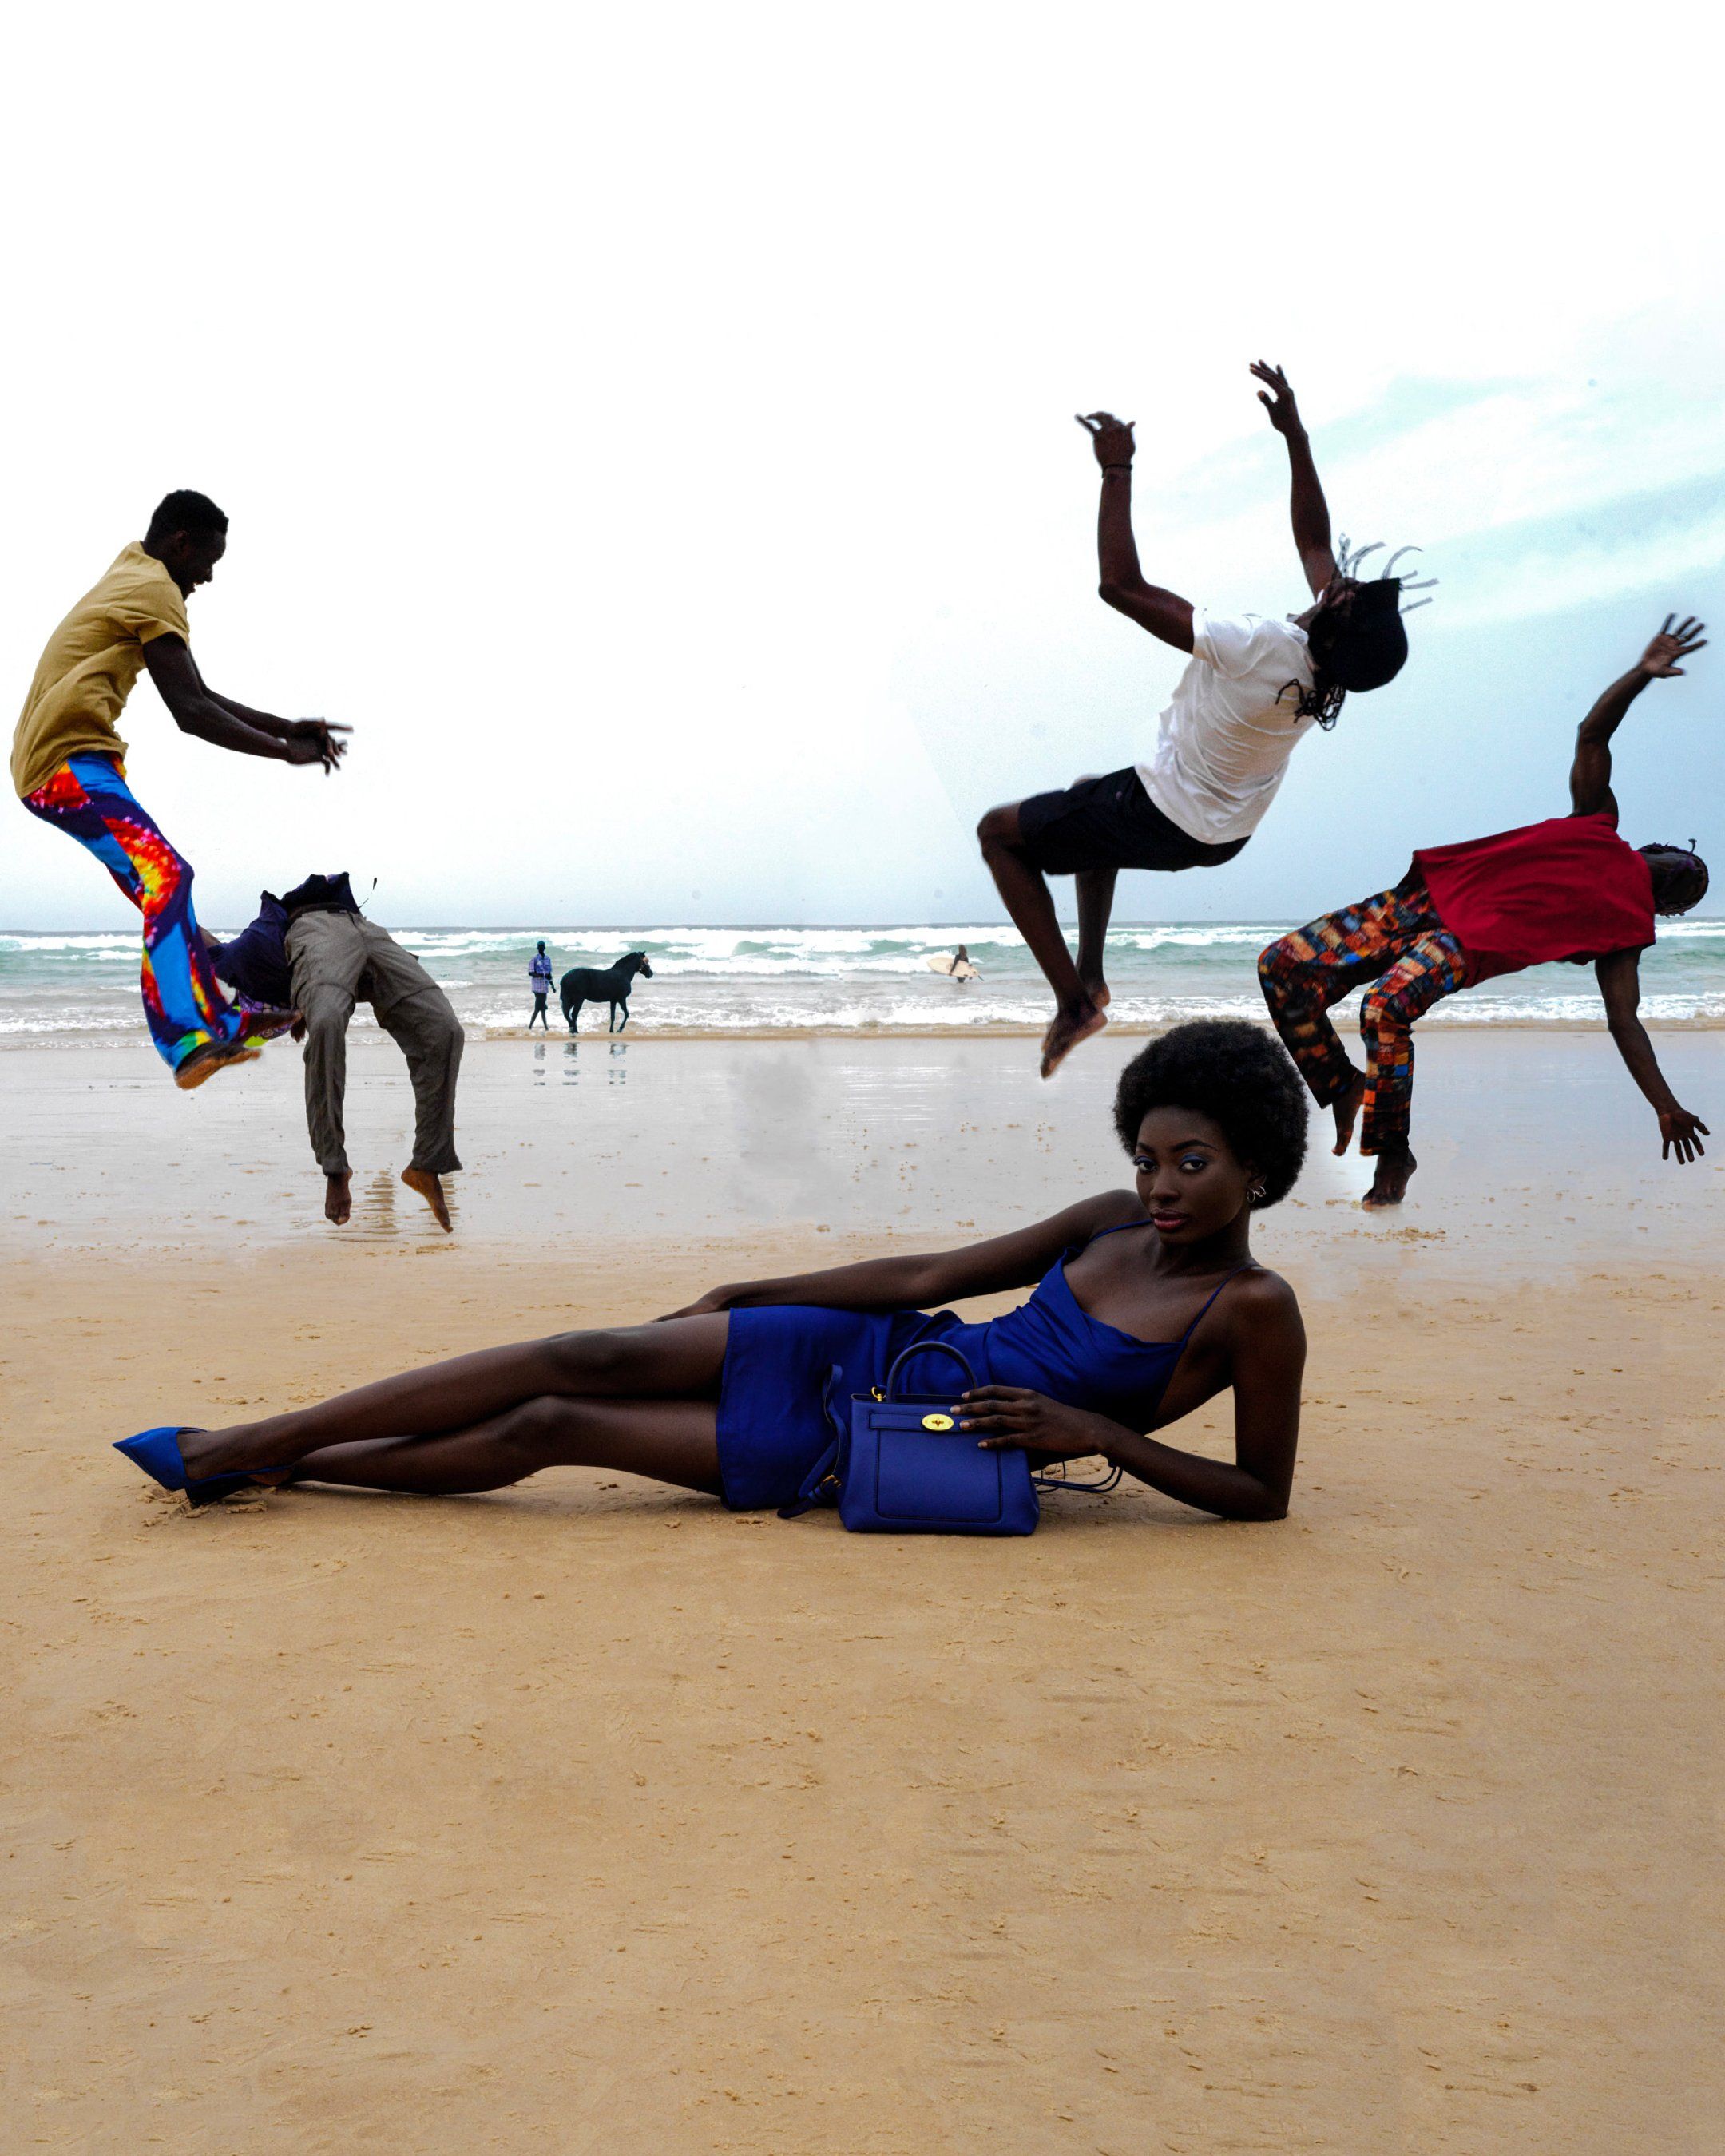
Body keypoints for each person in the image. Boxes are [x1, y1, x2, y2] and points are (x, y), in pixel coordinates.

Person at [113, 1019, 1310, 1525]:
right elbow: (934, 1270)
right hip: (882, 1351)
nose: (1159, 1184)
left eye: (1190, 1163)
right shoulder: (1108, 1221)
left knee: (553, 1422)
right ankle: (249, 1446)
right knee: (588, 1350)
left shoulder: (1254, 1310)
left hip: (925, 1437)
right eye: (1150, 1156)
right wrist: (761, 1290)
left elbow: (1264, 1496)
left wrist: (1090, 1428)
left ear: (1255, 1169)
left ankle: (285, 1464)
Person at [978, 364, 1422, 1077]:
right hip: (1224, 834)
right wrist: (1296, 439)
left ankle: (1073, 1000)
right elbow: (1315, 541)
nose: (1336, 585)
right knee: (1094, 796)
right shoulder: (1322, 674)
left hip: (1167, 813)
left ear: (1334, 626)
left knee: (1000, 834)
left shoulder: (1263, 648)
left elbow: (1120, 587)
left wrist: (1116, 469)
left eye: (1344, 596)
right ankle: (1090, 978)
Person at [1258, 618, 1711, 1208]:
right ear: (1654, 849)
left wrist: (1665, 1104)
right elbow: (1592, 734)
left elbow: (1626, 1023)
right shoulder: (1598, 822)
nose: (1685, 874)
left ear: (1666, 909)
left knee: (1383, 1008)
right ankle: (1344, 1087)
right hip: (1422, 897)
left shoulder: (1627, 933)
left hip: (1461, 943)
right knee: (1281, 966)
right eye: (1686, 865)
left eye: (1689, 885)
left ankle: (1393, 1150)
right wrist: (1641, 675)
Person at [12, 491, 348, 1088]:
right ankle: (185, 1041)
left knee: (162, 890)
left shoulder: (134, 569)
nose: (209, 579)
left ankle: (224, 1015)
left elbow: (199, 690)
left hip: (78, 762)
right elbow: (190, 712)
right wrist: (282, 752)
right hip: (61, 763)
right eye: (207, 563)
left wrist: (283, 726)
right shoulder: (155, 587)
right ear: (180, 544)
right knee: (169, 875)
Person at [210, 873, 465, 1231]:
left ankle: (427, 1164)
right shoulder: (271, 950)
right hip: (313, 929)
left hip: (367, 929)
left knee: (445, 1030)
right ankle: (335, 1168)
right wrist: (167, 910)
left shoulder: (265, 965)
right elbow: (216, 953)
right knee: (328, 1021)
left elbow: (225, 957)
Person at [528, 941, 554, 1028]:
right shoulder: (534, 959)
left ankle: (545, 1027)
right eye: (539, 946)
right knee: (538, 1008)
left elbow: (549, 974)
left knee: (542, 1008)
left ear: (544, 947)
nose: (541, 948)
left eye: (542, 946)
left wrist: (552, 986)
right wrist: (542, 975)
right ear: (537, 948)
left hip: (545, 987)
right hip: (537, 987)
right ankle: (530, 1026)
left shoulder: (548, 959)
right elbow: (531, 973)